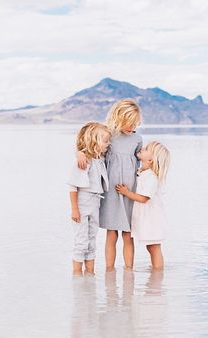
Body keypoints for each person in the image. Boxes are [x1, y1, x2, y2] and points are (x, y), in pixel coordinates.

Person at [78, 99, 142, 270]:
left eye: (136, 123)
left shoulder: (137, 138)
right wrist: (79, 154)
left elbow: (142, 163)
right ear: (119, 118)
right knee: (111, 233)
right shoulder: (108, 135)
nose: (133, 127)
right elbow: (89, 146)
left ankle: (129, 271)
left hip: (129, 191)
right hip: (111, 191)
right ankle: (109, 271)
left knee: (128, 234)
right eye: (130, 123)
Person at [115, 141, 170, 270]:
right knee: (150, 246)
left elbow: (144, 198)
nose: (142, 148)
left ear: (151, 160)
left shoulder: (151, 177)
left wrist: (126, 193)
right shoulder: (141, 172)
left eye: (146, 149)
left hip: (151, 218)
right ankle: (155, 270)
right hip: (145, 217)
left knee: (153, 246)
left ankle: (158, 272)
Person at [68, 122, 111, 275]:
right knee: (81, 241)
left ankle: (90, 275)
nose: (108, 144)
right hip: (82, 203)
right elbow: (73, 187)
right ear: (94, 141)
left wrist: (78, 152)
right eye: (105, 141)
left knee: (92, 239)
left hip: (95, 202)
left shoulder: (99, 159)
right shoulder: (83, 161)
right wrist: (75, 210)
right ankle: (77, 275)